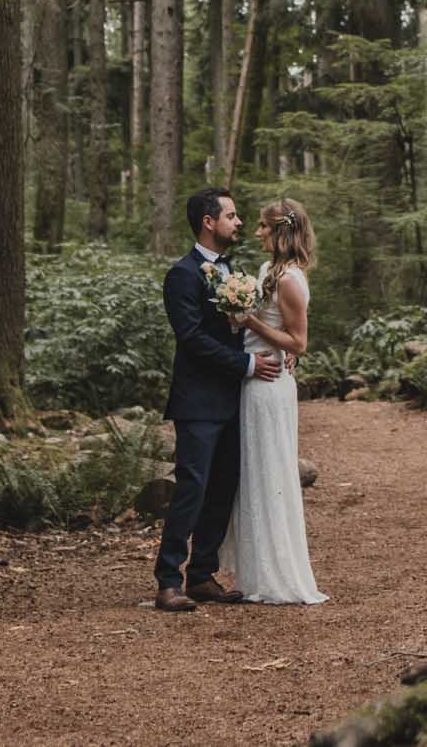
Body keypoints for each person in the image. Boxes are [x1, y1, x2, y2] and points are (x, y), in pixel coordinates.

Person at [154, 190, 283, 612]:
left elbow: (243, 327)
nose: (240, 222)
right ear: (208, 222)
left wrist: (280, 350)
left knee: (224, 489)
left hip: (235, 400)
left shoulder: (233, 274)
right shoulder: (183, 275)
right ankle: (168, 581)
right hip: (197, 402)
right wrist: (247, 364)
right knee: (192, 488)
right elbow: (191, 339)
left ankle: (202, 574)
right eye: (231, 215)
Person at [225, 197, 325, 604]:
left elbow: (298, 342)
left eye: (264, 227)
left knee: (269, 473)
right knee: (252, 475)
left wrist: (247, 320)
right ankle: (254, 572)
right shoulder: (269, 271)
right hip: (253, 380)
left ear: (280, 231)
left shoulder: (290, 280)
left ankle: (278, 574)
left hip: (270, 387)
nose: (257, 232)